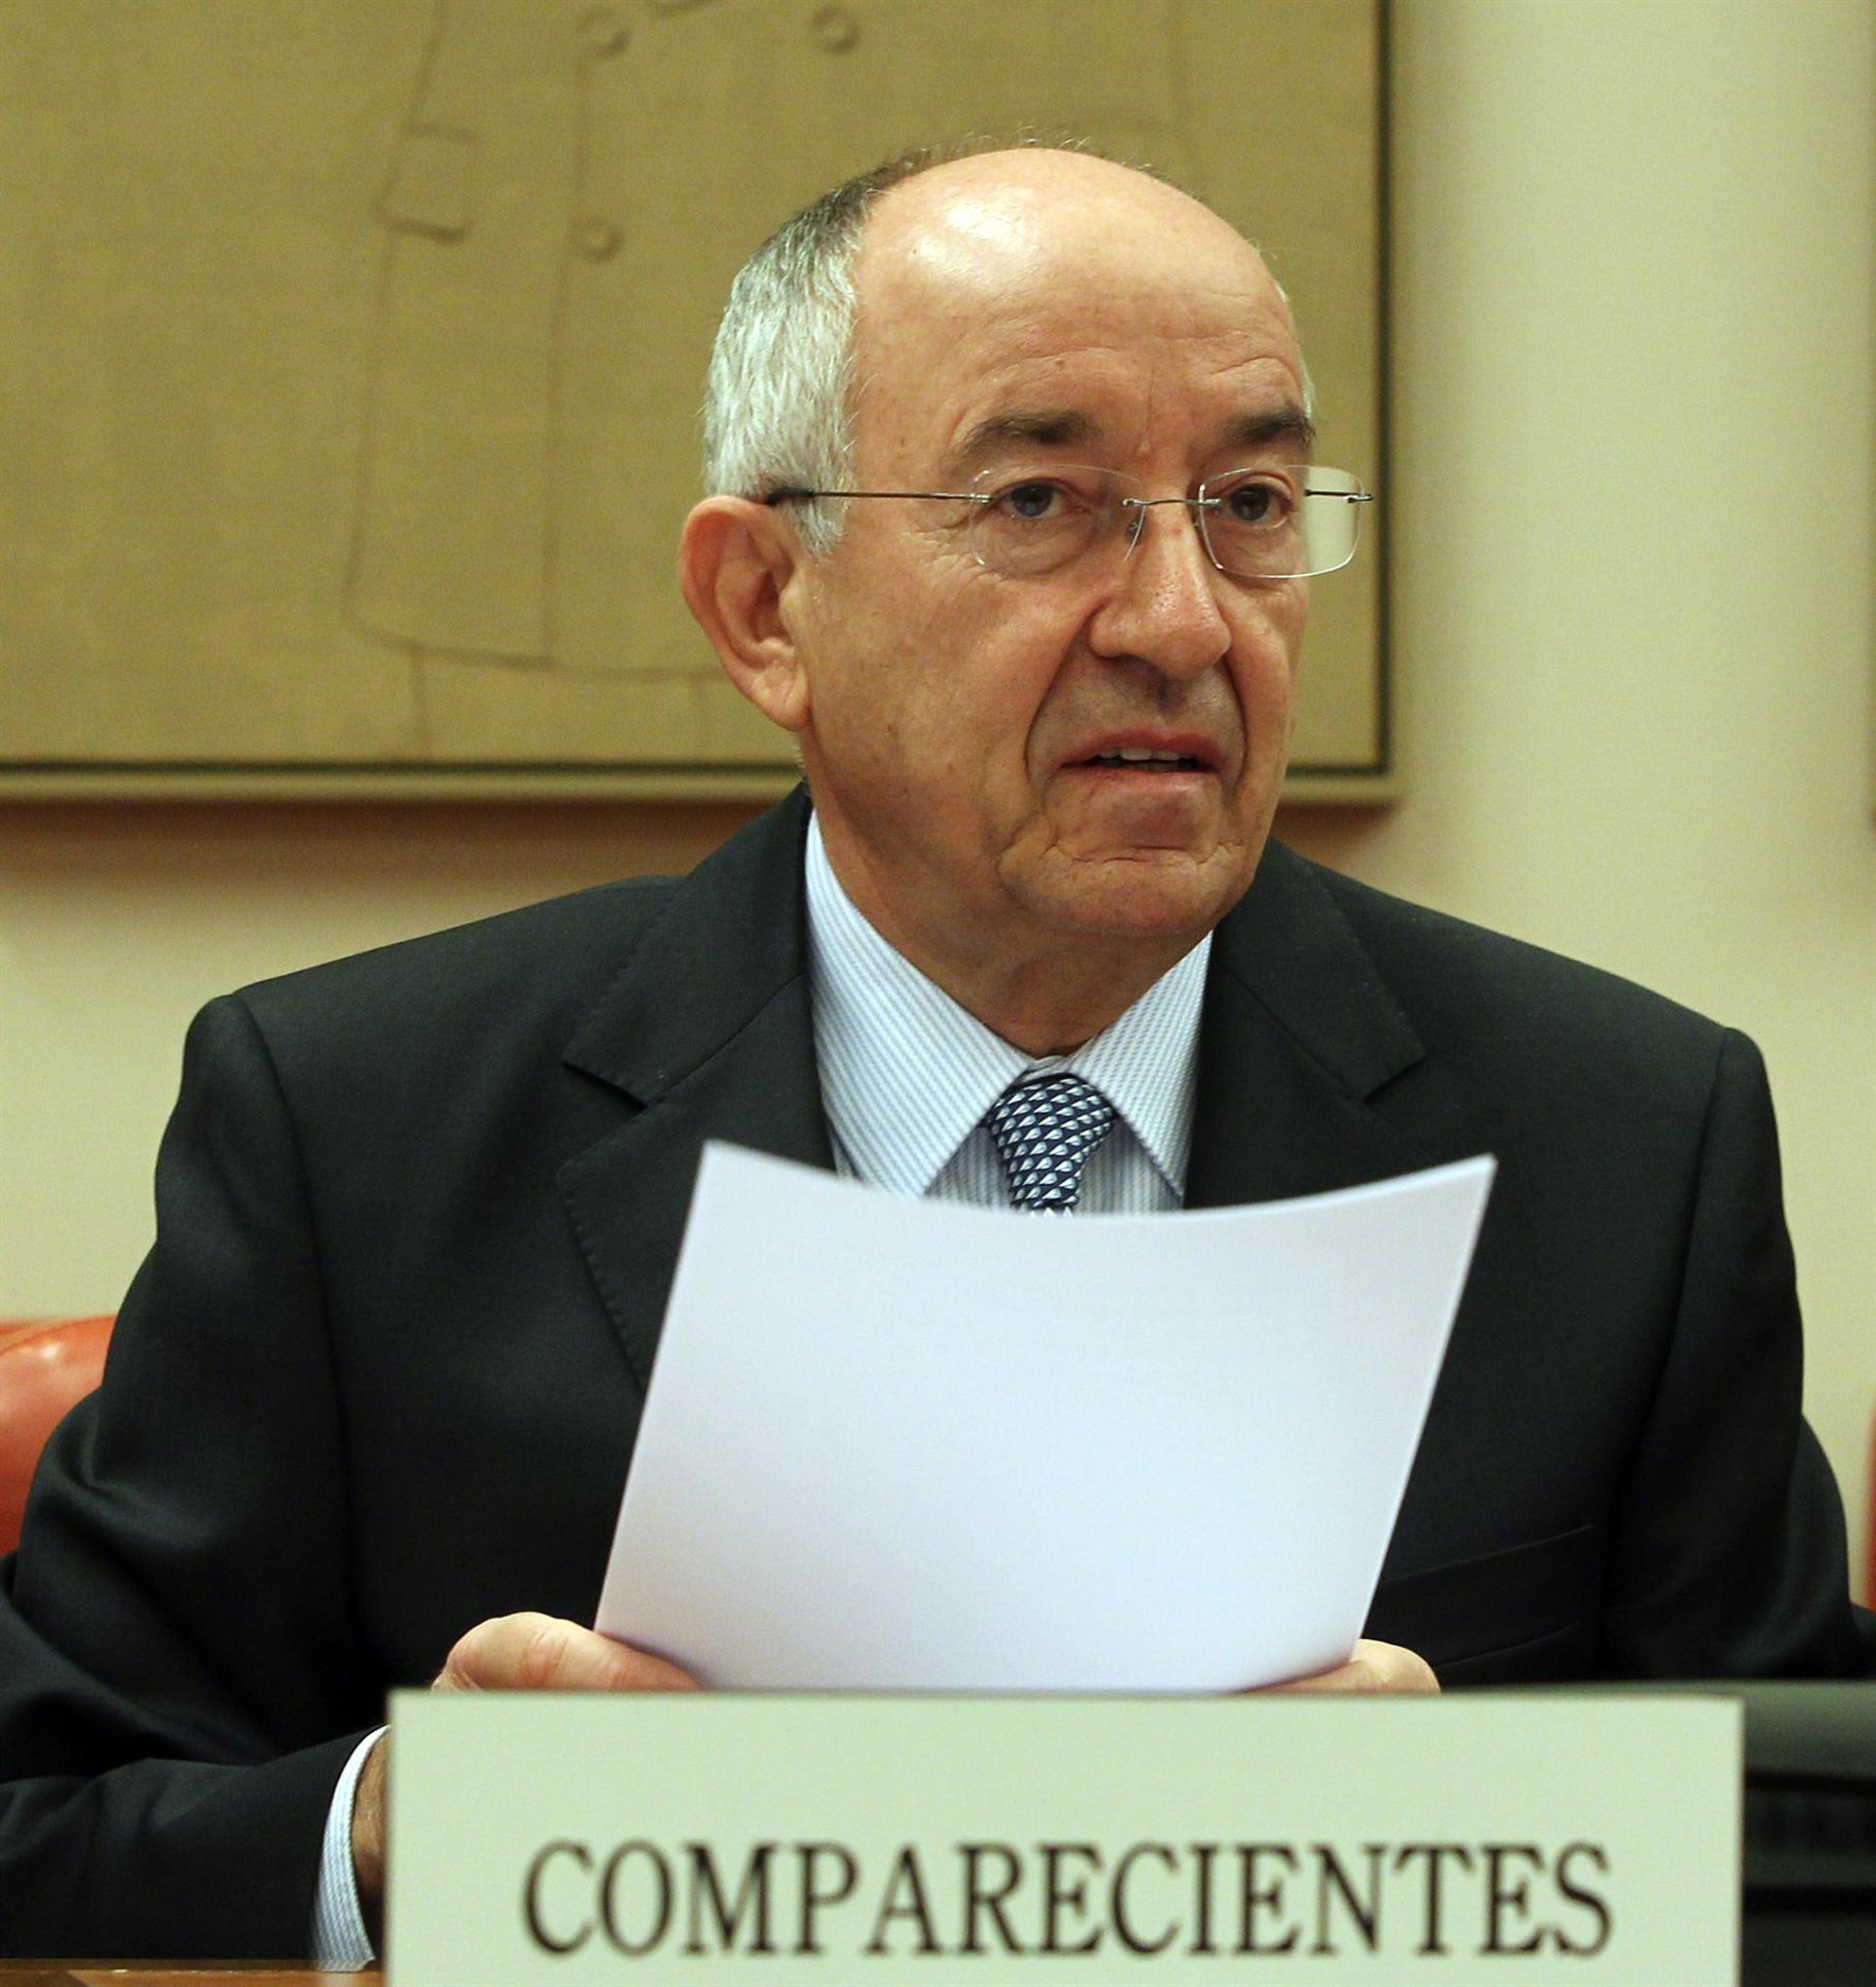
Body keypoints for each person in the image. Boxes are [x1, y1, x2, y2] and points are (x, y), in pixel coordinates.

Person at [0, 142, 1866, 1963]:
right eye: (1042, 502)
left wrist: (1479, 1839)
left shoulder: (1620, 1137)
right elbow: (43, 1824)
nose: (1182, 621)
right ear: (764, 604)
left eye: (1249, 505)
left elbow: (1816, 1861)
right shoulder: (355, 1127)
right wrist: (406, 1826)